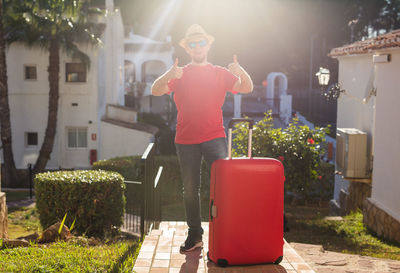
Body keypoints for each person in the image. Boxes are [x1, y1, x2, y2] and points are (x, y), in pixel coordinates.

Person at [151, 24, 253, 252]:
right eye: (192, 44)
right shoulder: (180, 73)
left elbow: (246, 87)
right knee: (190, 189)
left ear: (208, 45)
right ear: (187, 48)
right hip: (186, 139)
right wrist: (170, 73)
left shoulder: (219, 72)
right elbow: (156, 90)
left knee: (224, 185)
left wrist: (239, 69)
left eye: (201, 43)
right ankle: (195, 234)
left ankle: (228, 230)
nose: (197, 47)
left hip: (215, 137)